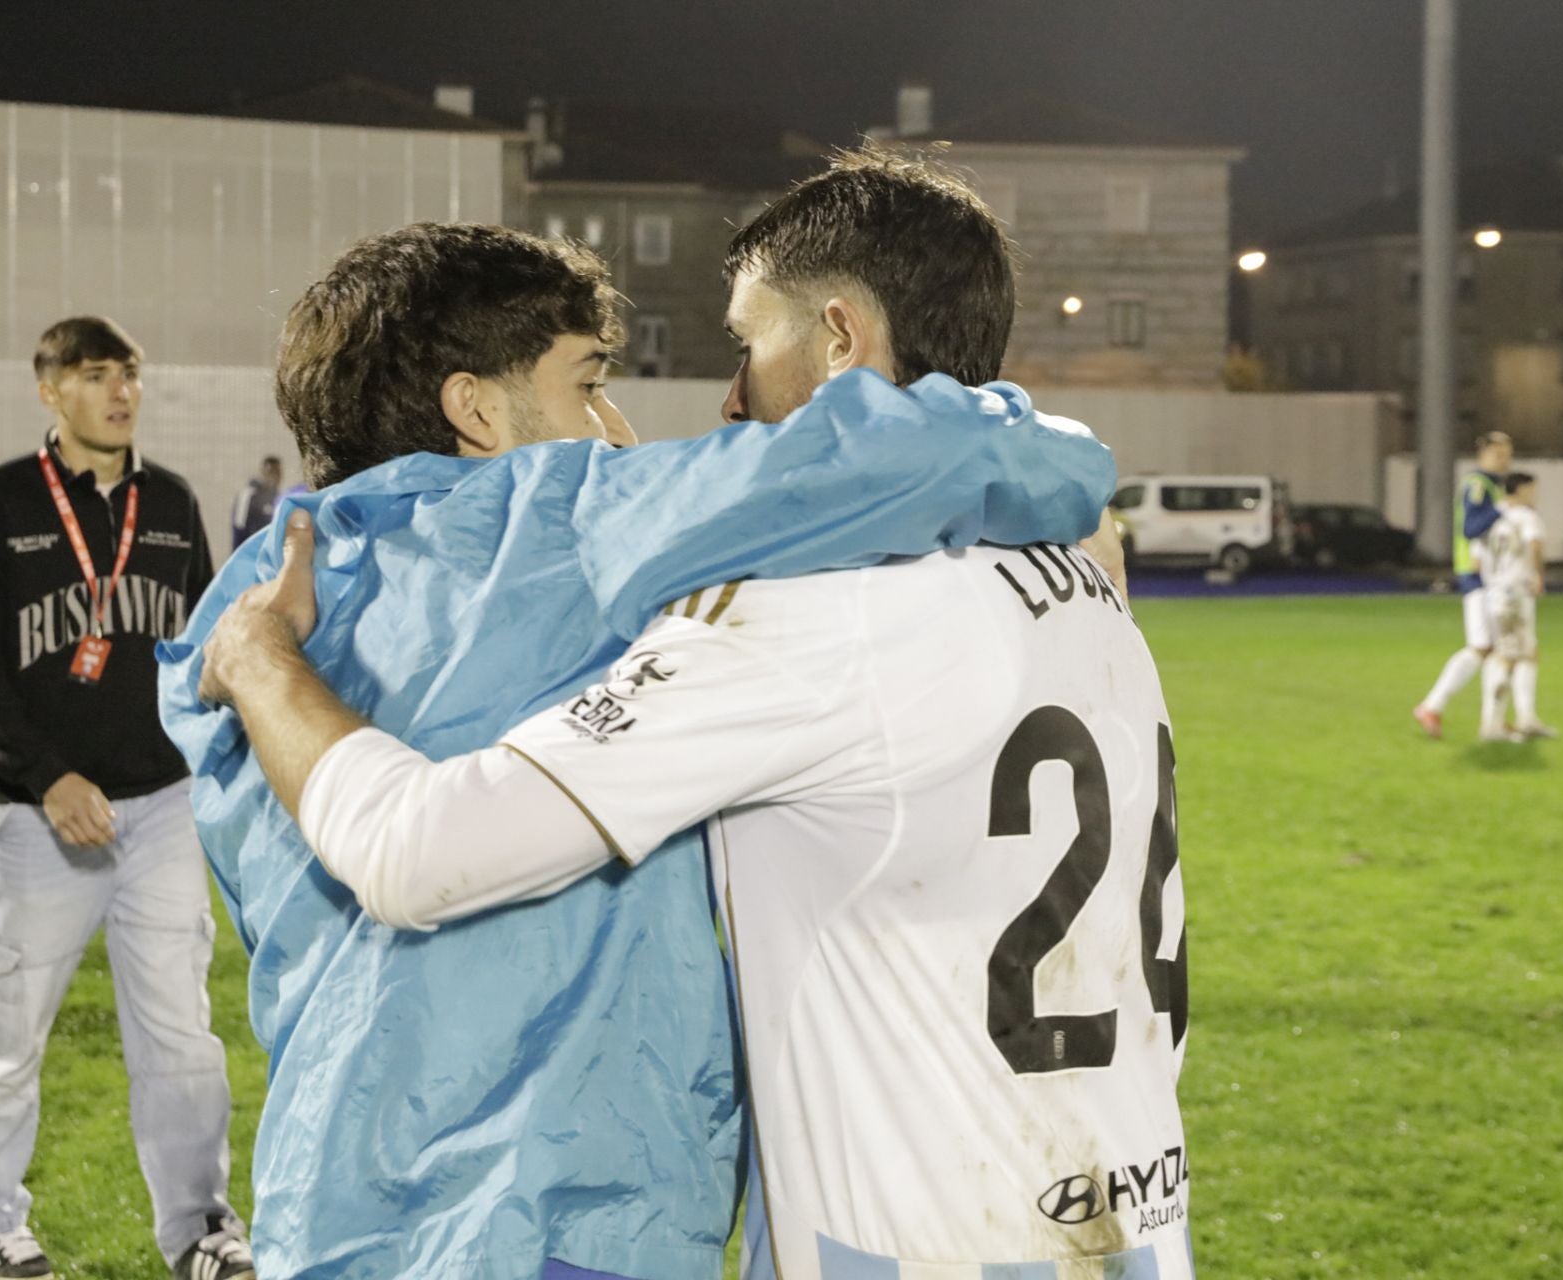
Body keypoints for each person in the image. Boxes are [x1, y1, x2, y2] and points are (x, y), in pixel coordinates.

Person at [198, 152, 1190, 1279]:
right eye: (590, 386)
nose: (690, 414)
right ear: (472, 408)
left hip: (886, 1237)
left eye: (743, 346)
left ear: (839, 339)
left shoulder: (250, 613)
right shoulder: (1082, 579)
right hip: (1118, 1212)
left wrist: (261, 663)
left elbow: (392, 850)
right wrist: (1059, 453)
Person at [0, 318, 252, 1280]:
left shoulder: (172, 501)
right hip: (35, 820)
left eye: (129, 375)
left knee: (181, 1037)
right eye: (94, 375)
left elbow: (196, 649)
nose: (119, 392)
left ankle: (200, 1228)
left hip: (158, 809)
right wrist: (45, 775)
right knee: (7, 1035)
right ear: (50, 390)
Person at [1414, 430, 1513, 738]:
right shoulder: (1478, 485)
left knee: (1492, 649)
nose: (1504, 460)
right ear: (1482, 454)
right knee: (1485, 647)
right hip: (1477, 574)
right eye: (1498, 454)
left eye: (1507, 454)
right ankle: (1434, 706)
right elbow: (1471, 528)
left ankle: (1490, 721)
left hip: (1490, 575)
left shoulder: (1493, 486)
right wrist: (1502, 509)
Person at [1477, 472, 1555, 742]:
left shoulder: (1490, 518)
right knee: (1506, 658)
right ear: (1521, 490)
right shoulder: (1526, 516)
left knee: (1527, 653)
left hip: (1493, 593)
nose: (1535, 495)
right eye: (1532, 490)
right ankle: (1492, 725)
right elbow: (1535, 543)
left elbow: (1477, 559)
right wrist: (1538, 575)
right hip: (1515, 594)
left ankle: (1526, 718)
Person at [230, 456, 282, 549]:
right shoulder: (248, 496)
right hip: (251, 551)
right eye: (271, 472)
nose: (275, 477)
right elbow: (239, 528)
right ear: (263, 472)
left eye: (278, 473)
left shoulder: (277, 497)